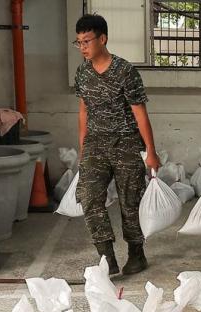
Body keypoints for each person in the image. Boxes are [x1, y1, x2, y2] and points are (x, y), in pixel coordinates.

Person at [73, 14, 160, 275]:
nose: (83, 47)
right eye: (78, 43)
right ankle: (106, 259)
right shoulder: (82, 72)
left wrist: (151, 152)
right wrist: (83, 148)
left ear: (103, 39)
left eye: (87, 41)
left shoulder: (125, 71)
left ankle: (137, 253)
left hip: (126, 144)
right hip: (95, 145)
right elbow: (83, 111)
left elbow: (140, 114)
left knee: (130, 202)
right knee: (88, 197)